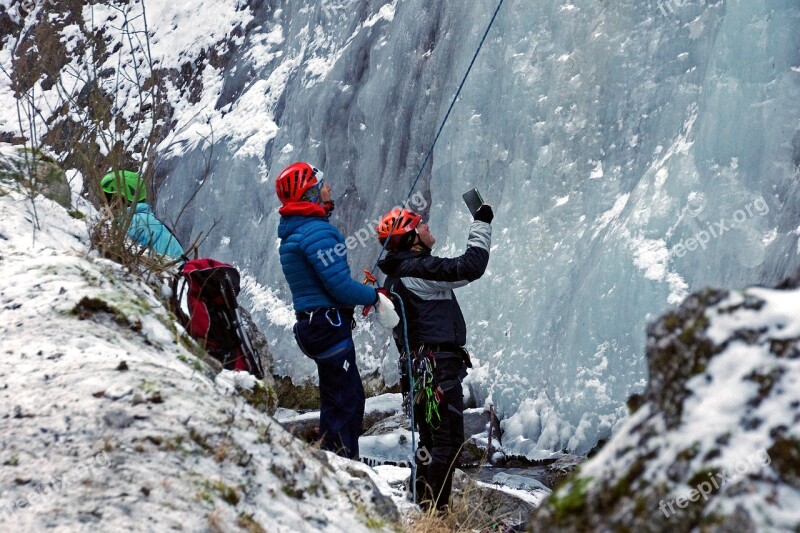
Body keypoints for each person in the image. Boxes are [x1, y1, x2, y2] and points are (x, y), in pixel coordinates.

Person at [376, 203, 493, 511]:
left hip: (423, 372)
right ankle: (434, 516)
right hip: (436, 370)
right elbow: (470, 266)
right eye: (420, 225)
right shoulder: (416, 270)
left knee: (432, 443)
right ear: (412, 238)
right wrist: (481, 222)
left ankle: (422, 508)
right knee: (446, 444)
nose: (427, 226)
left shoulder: (398, 275)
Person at [276, 161, 386, 459]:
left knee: (337, 399)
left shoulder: (295, 233)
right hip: (327, 325)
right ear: (310, 193)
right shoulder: (316, 232)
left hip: (314, 325)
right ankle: (342, 468)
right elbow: (339, 287)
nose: (329, 189)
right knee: (347, 401)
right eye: (323, 184)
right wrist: (374, 296)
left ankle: (333, 463)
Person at [100, 170, 185, 259]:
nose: (106, 206)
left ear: (121, 199)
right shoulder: (143, 219)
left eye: (109, 199)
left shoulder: (135, 222)